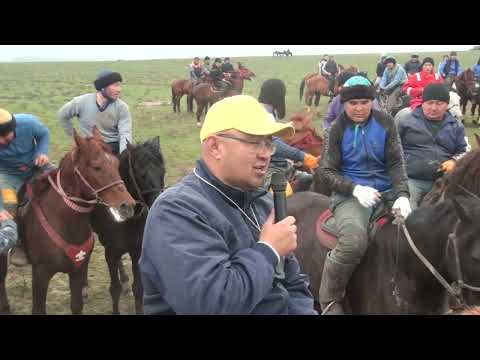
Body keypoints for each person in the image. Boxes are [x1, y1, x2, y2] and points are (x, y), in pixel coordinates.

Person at [139, 95, 318, 315]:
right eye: (254, 142)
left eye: (269, 143)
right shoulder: (176, 211)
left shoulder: (261, 201)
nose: (265, 154)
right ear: (215, 147)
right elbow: (212, 304)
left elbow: (294, 283)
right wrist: (268, 250)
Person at [318, 76, 411, 314]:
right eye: (353, 103)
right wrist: (354, 189)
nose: (359, 108)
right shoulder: (336, 129)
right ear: (344, 104)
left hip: (388, 192)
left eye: (364, 102)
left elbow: (396, 163)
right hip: (350, 195)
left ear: (372, 102)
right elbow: (326, 171)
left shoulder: (386, 123)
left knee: (419, 236)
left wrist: (402, 194)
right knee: (352, 242)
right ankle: (329, 299)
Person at [398, 83, 467, 209]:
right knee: (407, 214)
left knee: (446, 217)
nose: (434, 108)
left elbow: (464, 151)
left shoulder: (456, 126)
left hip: (443, 182)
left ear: (447, 105)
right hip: (411, 180)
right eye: (430, 103)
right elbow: (393, 149)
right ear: (422, 103)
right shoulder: (405, 121)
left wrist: (454, 161)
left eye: (439, 103)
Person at [0, 109, 52, 266]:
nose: (1, 141)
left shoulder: (28, 123)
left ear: (14, 129)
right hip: (8, 175)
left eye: (4, 136)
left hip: (35, 166)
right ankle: (16, 243)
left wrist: (42, 152)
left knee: (58, 183)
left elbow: (44, 134)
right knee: (9, 204)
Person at [257, 79, 319, 193]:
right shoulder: (261, 114)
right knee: (285, 192)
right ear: (279, 96)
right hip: (266, 168)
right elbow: (273, 143)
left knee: (309, 179)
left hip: (280, 165)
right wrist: (304, 157)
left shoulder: (268, 112)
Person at [58, 70, 132, 156]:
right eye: (115, 85)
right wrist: (76, 138)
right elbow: (62, 115)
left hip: (113, 148)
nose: (119, 89)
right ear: (103, 87)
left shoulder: (122, 107)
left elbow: (125, 134)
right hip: (88, 148)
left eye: (120, 85)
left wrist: (124, 155)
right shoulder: (81, 102)